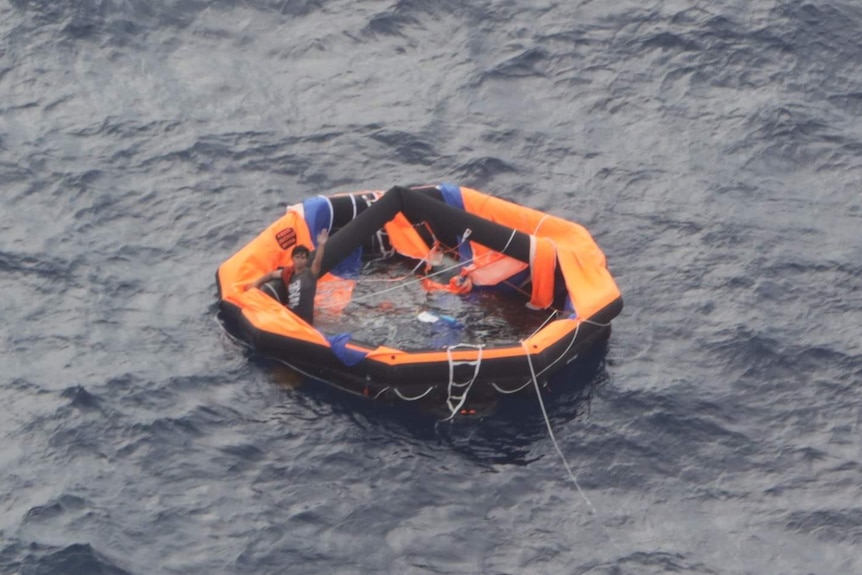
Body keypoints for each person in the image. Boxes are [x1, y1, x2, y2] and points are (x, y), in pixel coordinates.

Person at [246, 228, 328, 324]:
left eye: (303, 258)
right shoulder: (288, 273)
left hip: (306, 322)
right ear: (292, 259)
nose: (300, 260)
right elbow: (271, 275)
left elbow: (317, 262)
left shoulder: (310, 274)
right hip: (290, 319)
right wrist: (256, 283)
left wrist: (322, 245)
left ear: (306, 260)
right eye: (297, 257)